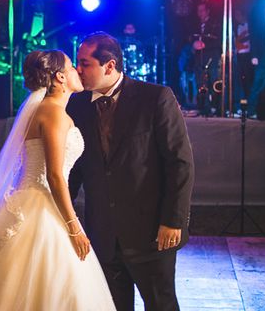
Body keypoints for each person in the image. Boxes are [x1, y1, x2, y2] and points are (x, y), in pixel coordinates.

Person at [0, 50, 115, 310]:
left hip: (30, 199)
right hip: (40, 206)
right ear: (61, 77)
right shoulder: (53, 113)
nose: (78, 70)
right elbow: (53, 175)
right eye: (72, 66)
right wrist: (74, 227)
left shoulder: (43, 110)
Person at [68, 32, 194, 311]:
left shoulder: (156, 98)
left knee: (160, 304)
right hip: (101, 233)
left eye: (85, 63)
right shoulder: (76, 105)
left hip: (151, 231)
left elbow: (179, 162)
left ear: (109, 66)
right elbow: (73, 168)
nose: (78, 70)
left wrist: (173, 220)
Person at [191, 1, 222, 116]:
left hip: (212, 58)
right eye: (198, 11)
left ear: (207, 11)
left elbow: (219, 41)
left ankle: (215, 107)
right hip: (199, 59)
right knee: (201, 83)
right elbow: (190, 38)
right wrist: (193, 44)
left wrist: (205, 45)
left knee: (213, 82)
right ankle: (203, 107)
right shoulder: (195, 25)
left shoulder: (215, 24)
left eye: (202, 10)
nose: (200, 13)